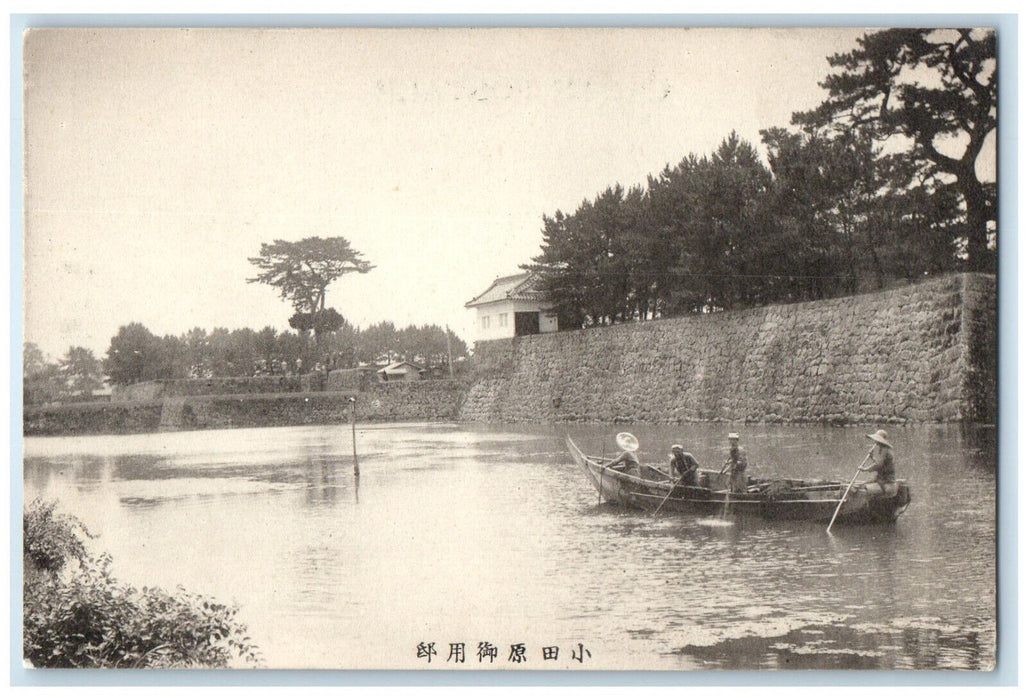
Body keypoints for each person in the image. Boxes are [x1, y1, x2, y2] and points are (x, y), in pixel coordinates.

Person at [859, 429, 897, 495]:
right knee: (862, 484)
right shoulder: (882, 449)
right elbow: (881, 464)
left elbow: (878, 465)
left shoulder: (885, 450)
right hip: (881, 479)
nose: (875, 441)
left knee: (861, 489)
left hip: (886, 481)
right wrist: (872, 457)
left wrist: (865, 469)